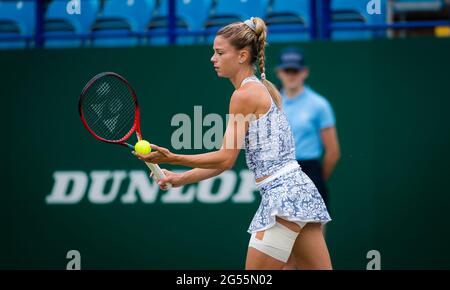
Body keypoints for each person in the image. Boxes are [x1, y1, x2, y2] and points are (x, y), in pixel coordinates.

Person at [135, 17, 332, 270]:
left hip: (283, 198)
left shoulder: (244, 95)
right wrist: (180, 178)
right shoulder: (263, 89)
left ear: (242, 56)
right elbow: (224, 164)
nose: (212, 59)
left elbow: (225, 158)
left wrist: (173, 157)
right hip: (301, 191)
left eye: (219, 53)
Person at [276, 47, 340, 217]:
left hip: (310, 172)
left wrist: (315, 180)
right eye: (287, 70)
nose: (291, 75)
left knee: (314, 236)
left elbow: (333, 152)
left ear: (304, 72)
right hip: (281, 174)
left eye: (295, 70)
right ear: (279, 72)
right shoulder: (271, 103)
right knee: (280, 239)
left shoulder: (319, 105)